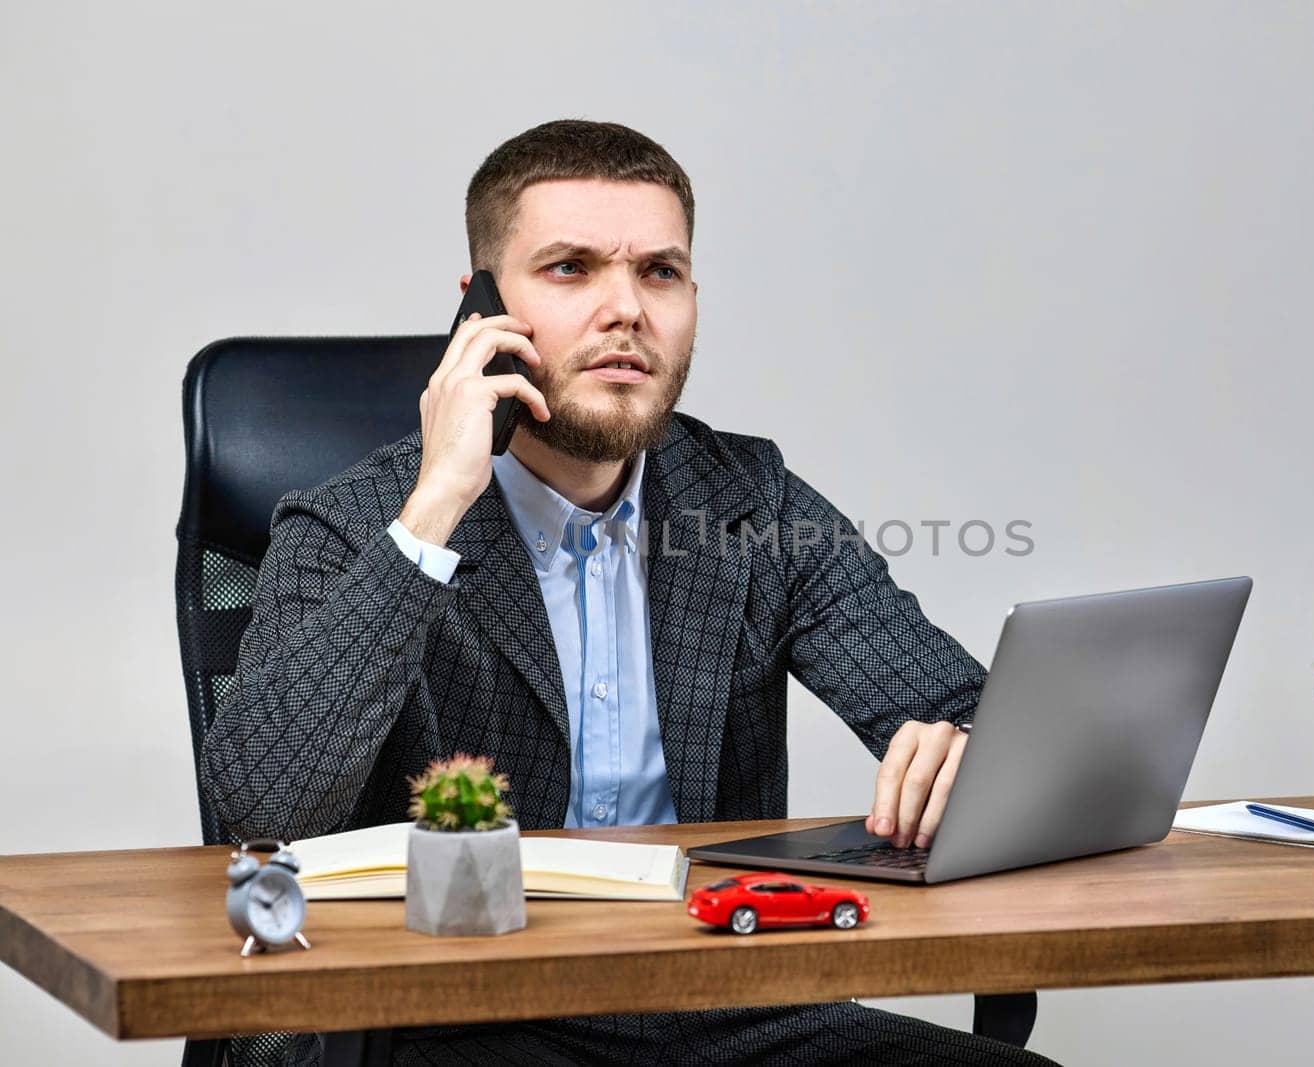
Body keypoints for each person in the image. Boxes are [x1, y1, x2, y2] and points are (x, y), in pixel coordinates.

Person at [202, 119, 1057, 1067]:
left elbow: (975, 717)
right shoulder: (359, 523)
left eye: (659, 272)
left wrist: (968, 750)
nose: (627, 311)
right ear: (479, 310)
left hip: (725, 999)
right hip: (465, 1018)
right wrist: (440, 499)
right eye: (571, 269)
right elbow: (266, 801)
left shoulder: (750, 505)